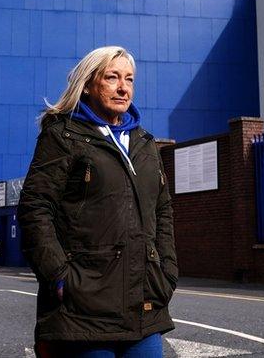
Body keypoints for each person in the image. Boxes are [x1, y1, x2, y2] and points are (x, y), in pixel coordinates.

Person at [18, 46, 177, 358]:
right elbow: (35, 207)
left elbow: (163, 209)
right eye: (112, 77)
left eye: (129, 79)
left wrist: (167, 269)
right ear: (88, 84)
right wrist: (60, 276)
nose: (123, 87)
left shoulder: (145, 143)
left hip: (145, 304)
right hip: (83, 308)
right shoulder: (63, 135)